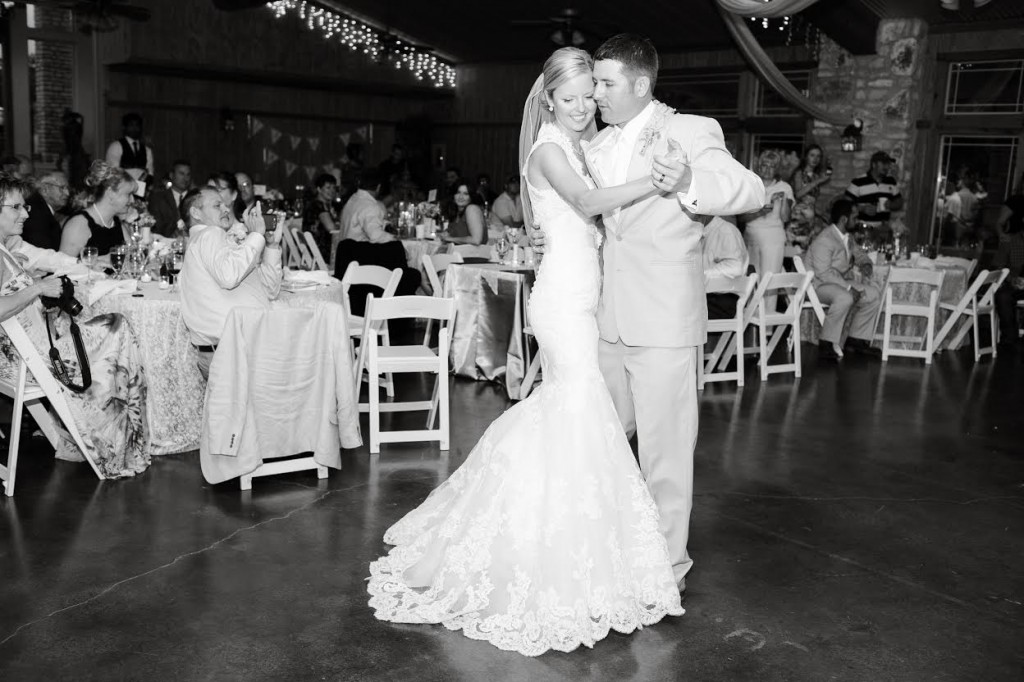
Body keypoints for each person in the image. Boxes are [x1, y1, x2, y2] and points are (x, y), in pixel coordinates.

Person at [368, 45, 687, 656]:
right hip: (563, 303)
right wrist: (658, 179)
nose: (578, 108)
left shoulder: (574, 146)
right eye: (566, 99)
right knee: (578, 411)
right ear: (547, 100)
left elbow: (576, 216)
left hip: (582, 295)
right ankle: (554, 557)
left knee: (574, 418)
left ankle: (571, 543)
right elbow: (590, 205)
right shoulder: (547, 147)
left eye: (586, 97)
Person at [0, 172, 149, 478]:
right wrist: (37, 289)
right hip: (33, 360)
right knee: (119, 327)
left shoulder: (7, 248)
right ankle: (112, 442)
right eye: (16, 207)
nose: (26, 213)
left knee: (107, 325)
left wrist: (38, 281)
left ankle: (85, 433)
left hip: (20, 354)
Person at [178, 188, 283, 379]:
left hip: (233, 352)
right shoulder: (209, 235)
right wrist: (256, 236)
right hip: (231, 354)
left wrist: (271, 246)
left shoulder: (215, 241)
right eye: (217, 205)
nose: (226, 209)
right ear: (195, 213)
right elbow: (229, 276)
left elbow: (269, 290)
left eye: (226, 204)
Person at [806, 200, 882, 361]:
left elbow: (859, 253)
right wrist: (848, 288)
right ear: (844, 219)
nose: (857, 220)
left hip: (836, 282)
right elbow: (823, 273)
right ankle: (826, 342)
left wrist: (866, 263)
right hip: (817, 285)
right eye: (854, 216)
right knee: (844, 296)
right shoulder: (825, 239)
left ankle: (856, 340)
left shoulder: (847, 237)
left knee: (873, 294)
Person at [741, 149, 793, 311]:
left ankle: (767, 328)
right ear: (759, 166)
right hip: (750, 237)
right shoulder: (751, 185)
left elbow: (785, 218)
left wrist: (783, 199)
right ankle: (749, 326)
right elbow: (740, 218)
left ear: (777, 169)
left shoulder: (784, 187)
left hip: (773, 239)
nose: (768, 169)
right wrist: (761, 210)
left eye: (772, 166)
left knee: (769, 281)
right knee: (750, 280)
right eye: (765, 165)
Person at [60, 160, 134, 257]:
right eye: (128, 194)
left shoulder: (115, 222)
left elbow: (132, 257)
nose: (132, 200)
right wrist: (98, 262)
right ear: (111, 193)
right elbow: (63, 267)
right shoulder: (79, 224)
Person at [993, 191, 1024, 350]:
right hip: (1016, 283)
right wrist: (1012, 279)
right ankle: (1009, 339)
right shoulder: (1010, 241)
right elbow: (999, 266)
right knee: (1003, 295)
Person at [703, 215, 749, 319]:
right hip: (708, 298)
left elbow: (736, 268)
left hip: (725, 301)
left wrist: (701, 274)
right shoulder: (699, 232)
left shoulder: (726, 231)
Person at [844, 150, 902, 232]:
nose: (887, 167)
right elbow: (845, 205)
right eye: (883, 163)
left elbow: (899, 201)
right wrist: (862, 209)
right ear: (874, 165)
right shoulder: (858, 181)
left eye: (888, 164)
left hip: (884, 230)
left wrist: (892, 204)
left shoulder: (890, 181)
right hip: (863, 229)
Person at [788, 144, 830, 249]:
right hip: (799, 219)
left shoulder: (816, 176)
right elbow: (798, 194)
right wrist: (817, 181)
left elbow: (812, 200)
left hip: (810, 220)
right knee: (796, 252)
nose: (815, 159)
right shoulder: (799, 173)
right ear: (806, 156)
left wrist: (821, 215)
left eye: (818, 156)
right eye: (812, 155)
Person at [339, 168, 393, 244]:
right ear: (378, 187)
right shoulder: (370, 206)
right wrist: (395, 238)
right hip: (359, 253)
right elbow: (376, 235)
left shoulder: (353, 199)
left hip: (345, 251)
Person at [22, 171, 70, 251]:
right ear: (45, 190)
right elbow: (42, 253)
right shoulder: (36, 214)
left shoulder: (39, 207)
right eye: (62, 188)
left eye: (68, 188)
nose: (67, 193)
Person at [148, 159, 192, 237]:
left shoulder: (194, 198)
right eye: (181, 174)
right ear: (171, 175)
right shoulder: (158, 198)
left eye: (188, 174)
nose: (185, 179)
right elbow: (156, 227)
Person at [105, 112, 154, 182]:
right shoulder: (116, 146)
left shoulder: (147, 150)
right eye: (131, 125)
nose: (135, 128)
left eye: (137, 125)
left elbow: (150, 173)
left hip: (141, 189)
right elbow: (113, 171)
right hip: (120, 188)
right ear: (124, 127)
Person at [302, 173, 340, 260]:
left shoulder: (316, 204)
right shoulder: (318, 206)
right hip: (319, 252)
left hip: (311, 250)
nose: (332, 191)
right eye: (328, 187)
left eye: (334, 188)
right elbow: (332, 228)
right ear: (319, 189)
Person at [439, 180, 487, 246]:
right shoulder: (457, 211)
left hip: (473, 255)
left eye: (465, 194)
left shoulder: (472, 209)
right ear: (453, 195)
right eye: (458, 192)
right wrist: (445, 234)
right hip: (458, 253)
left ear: (471, 197)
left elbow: (476, 240)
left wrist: (450, 239)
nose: (461, 197)